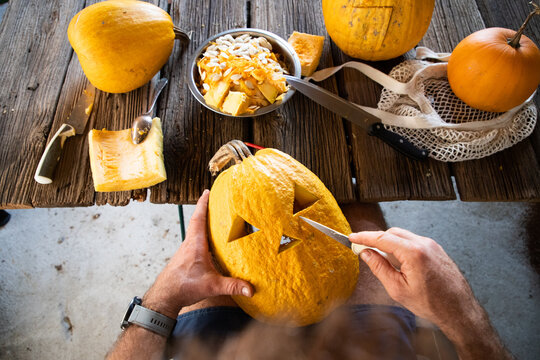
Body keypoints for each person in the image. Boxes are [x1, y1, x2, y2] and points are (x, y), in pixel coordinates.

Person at [107, 190, 513, 360]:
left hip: (215, 347)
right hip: (364, 346)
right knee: (354, 210)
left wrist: (162, 300)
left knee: (225, 220)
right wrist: (463, 317)